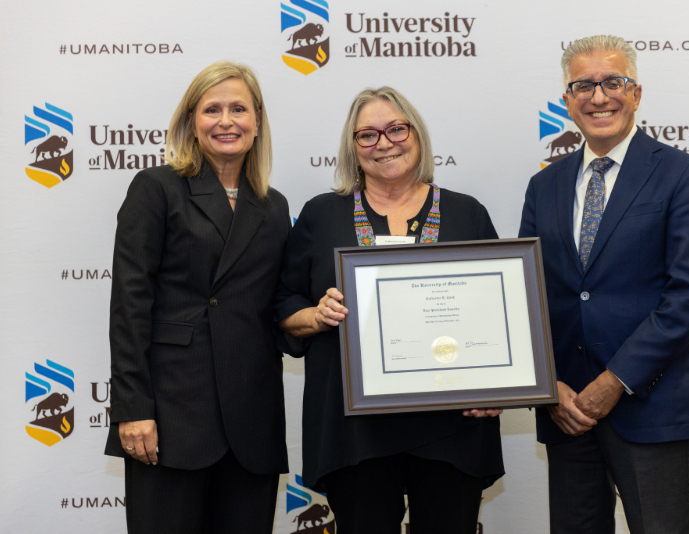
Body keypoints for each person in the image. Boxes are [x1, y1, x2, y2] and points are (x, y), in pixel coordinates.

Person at [275, 87, 504, 534]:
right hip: (355, 431)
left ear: (416, 136)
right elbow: (282, 304)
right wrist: (316, 315)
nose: (384, 143)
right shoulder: (322, 215)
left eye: (396, 129)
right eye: (367, 135)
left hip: (450, 425)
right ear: (352, 148)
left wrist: (497, 384)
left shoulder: (465, 213)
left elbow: (499, 314)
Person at [518, 35, 689, 534]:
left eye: (613, 82)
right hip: (568, 412)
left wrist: (614, 382)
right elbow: (525, 297)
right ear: (566, 100)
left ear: (637, 92)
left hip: (650, 404)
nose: (599, 96)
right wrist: (551, 387)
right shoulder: (545, 185)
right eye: (583, 85)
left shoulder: (680, 174)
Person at [104, 61, 291, 533]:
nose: (226, 121)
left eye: (238, 109)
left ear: (258, 121)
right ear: (191, 122)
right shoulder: (157, 188)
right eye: (212, 109)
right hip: (170, 419)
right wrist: (133, 410)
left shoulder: (274, 205)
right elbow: (129, 305)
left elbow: (275, 307)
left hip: (251, 424)